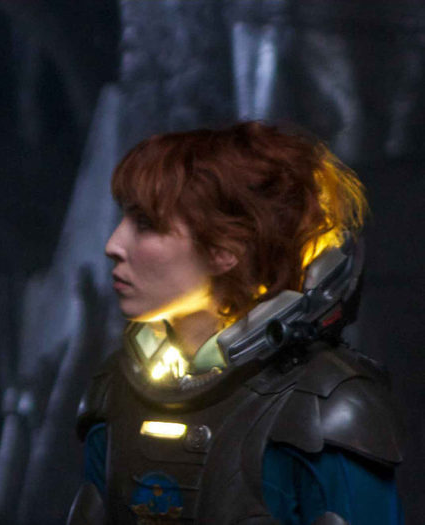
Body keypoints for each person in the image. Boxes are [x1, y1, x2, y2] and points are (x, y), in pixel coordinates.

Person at [68, 122, 403, 524]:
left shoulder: (327, 406)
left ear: (227, 248)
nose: (113, 245)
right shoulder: (115, 393)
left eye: (146, 224)